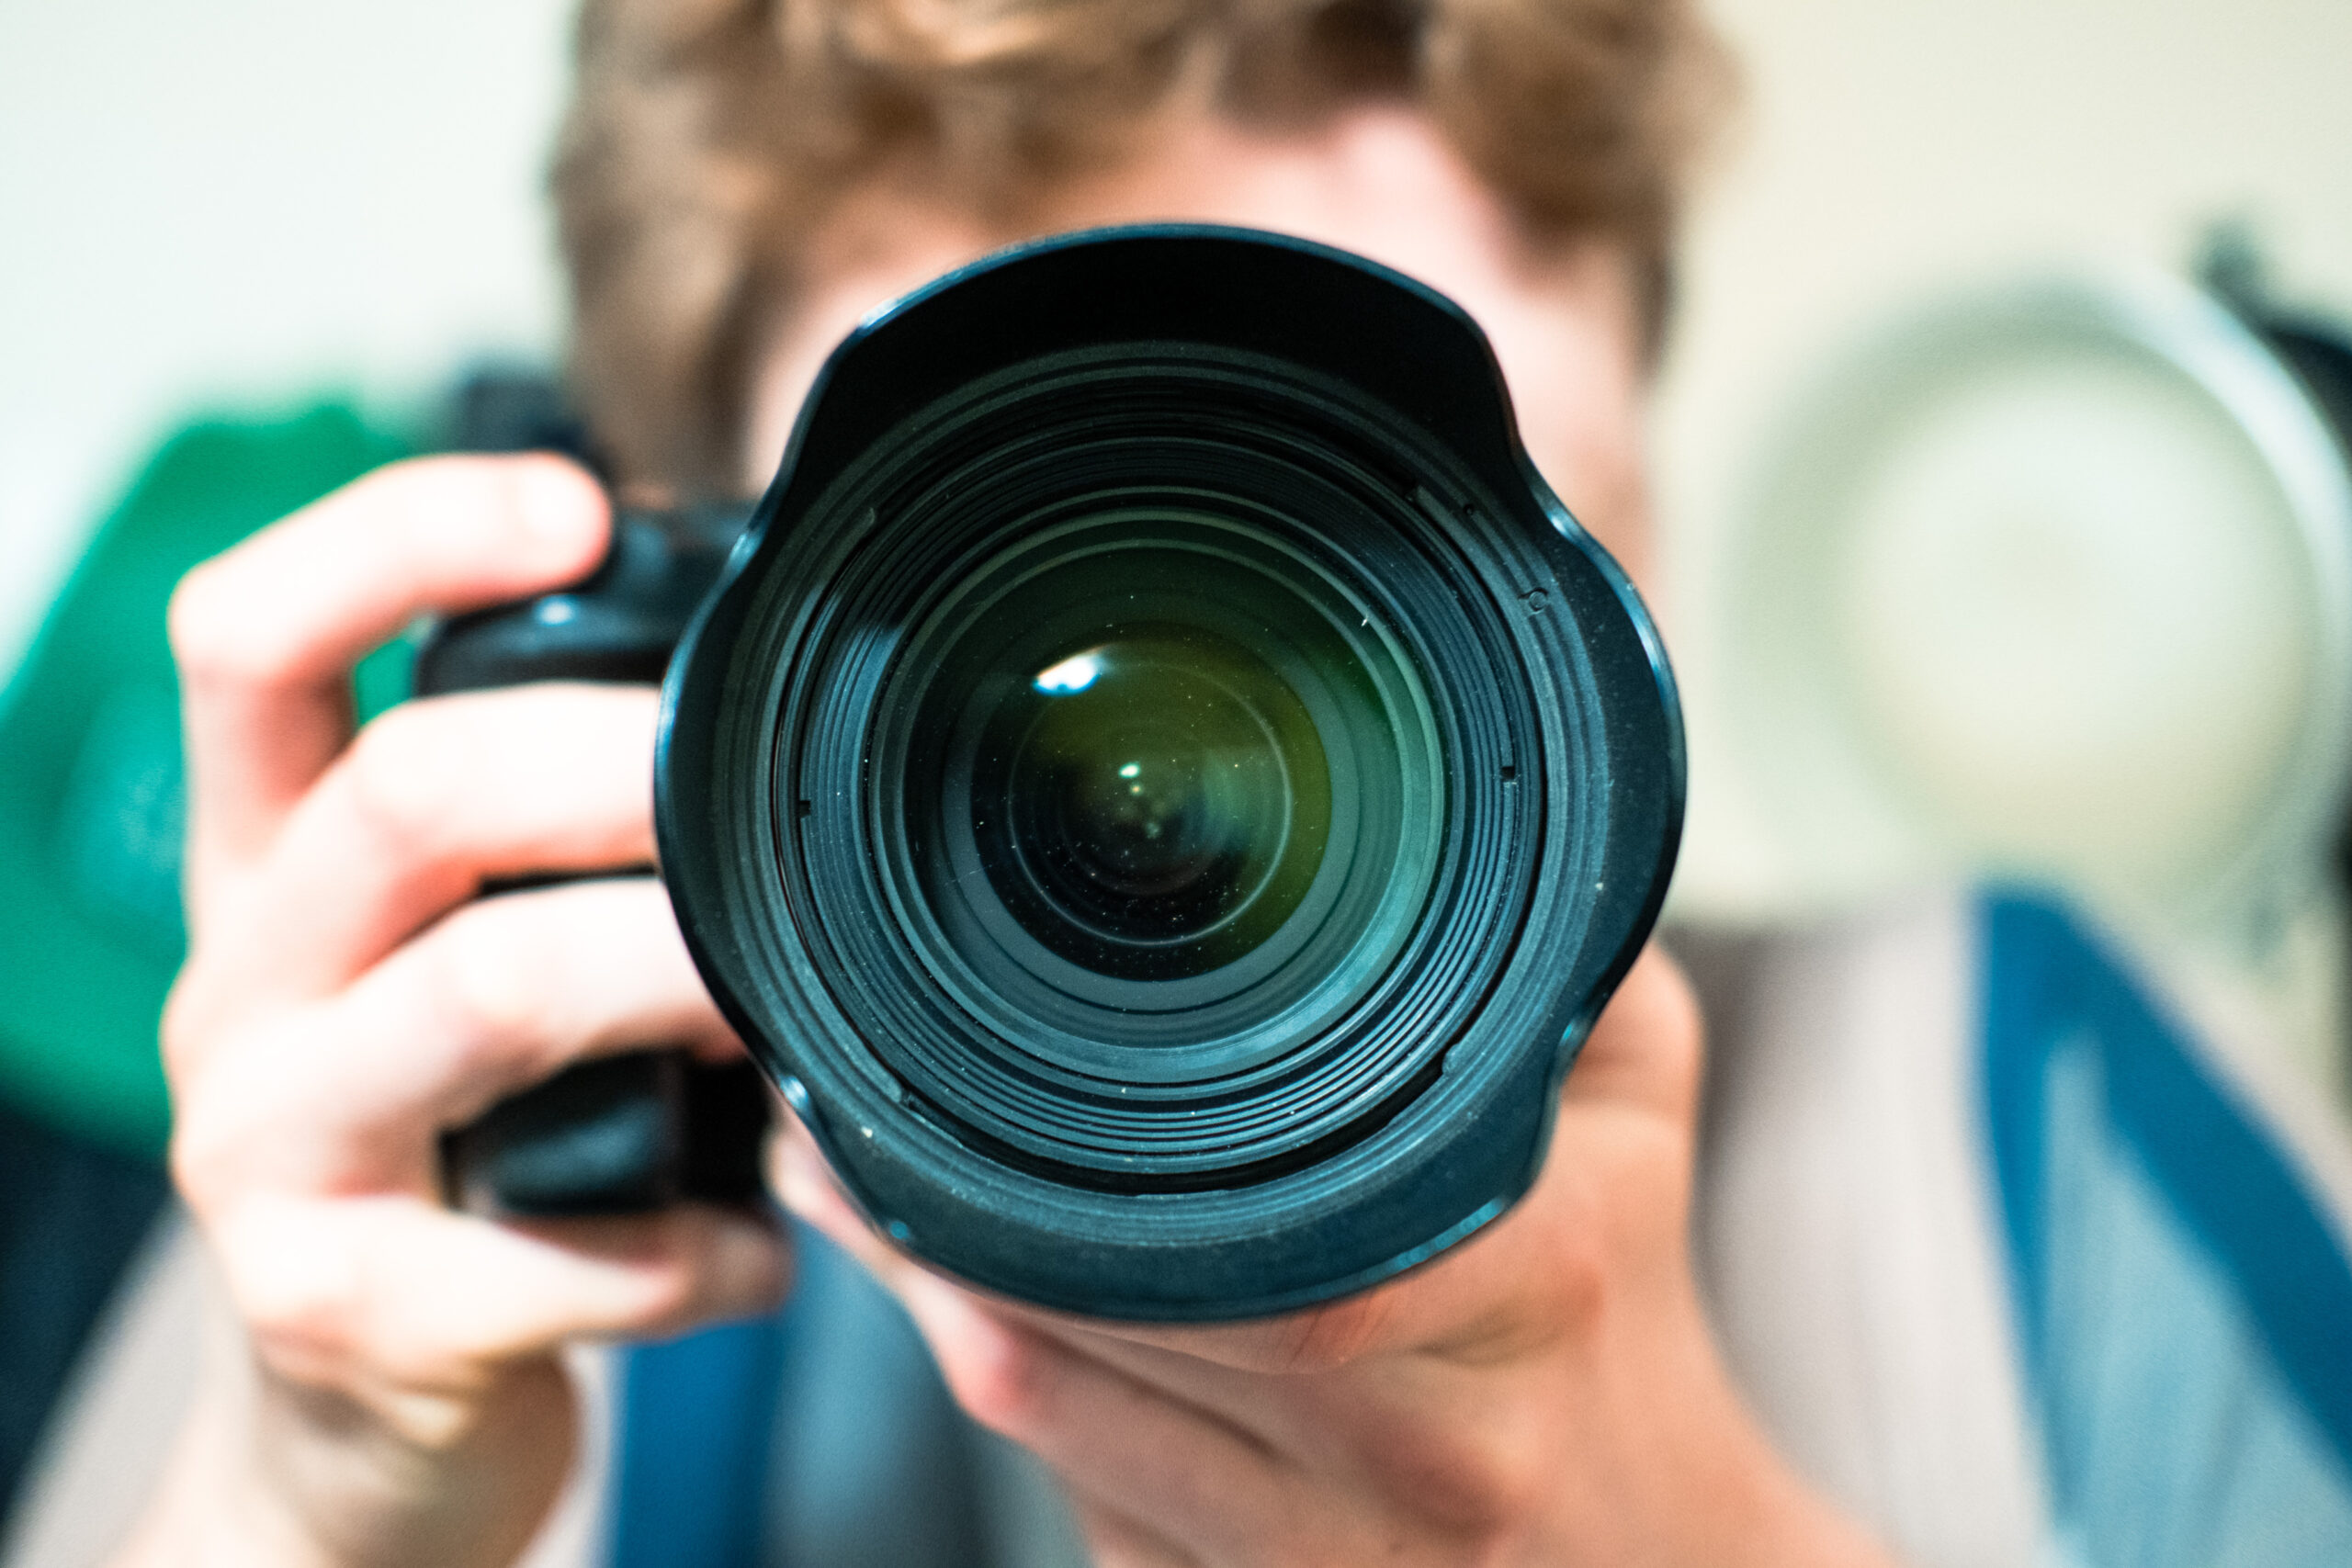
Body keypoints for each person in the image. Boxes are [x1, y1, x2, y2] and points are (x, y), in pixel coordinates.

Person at [70, 0, 1879, 1562]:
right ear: (714, 682)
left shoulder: (2010, 1090)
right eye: (976, 638)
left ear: (1611, 559)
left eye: (1386, 614)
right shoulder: (456, 1215)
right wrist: (296, 1506)